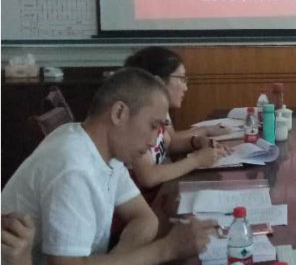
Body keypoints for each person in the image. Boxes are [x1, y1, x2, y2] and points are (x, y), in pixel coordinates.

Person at [1, 68, 215, 264]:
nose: (153, 141)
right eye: (153, 126)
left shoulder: (103, 149)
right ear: (119, 113)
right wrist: (166, 250)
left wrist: (116, 262)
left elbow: (145, 218)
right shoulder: (74, 168)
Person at [124, 47, 228, 190]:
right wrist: (197, 160)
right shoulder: (135, 119)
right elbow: (149, 177)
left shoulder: (158, 108)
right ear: (158, 83)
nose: (185, 88)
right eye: (181, 79)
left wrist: (196, 142)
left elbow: (169, 143)